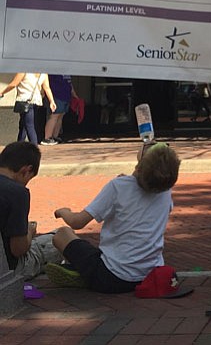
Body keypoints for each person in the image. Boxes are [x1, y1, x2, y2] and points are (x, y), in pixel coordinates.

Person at [46, 141, 181, 293]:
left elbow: (77, 222)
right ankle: (83, 272)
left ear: (140, 163)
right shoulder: (165, 191)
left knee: (63, 234)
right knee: (90, 249)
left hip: (112, 276)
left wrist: (63, 211)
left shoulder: (118, 186)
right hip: (149, 275)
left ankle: (83, 274)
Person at [0, 142, 63, 279]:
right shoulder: (17, 193)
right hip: (9, 268)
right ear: (26, 170)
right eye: (29, 178)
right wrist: (29, 231)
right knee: (61, 236)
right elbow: (18, 249)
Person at [0, 73, 56, 146]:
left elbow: (14, 84)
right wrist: (52, 101)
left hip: (24, 100)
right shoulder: (43, 73)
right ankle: (19, 146)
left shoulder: (23, 72)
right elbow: (47, 88)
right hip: (36, 101)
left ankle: (34, 149)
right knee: (23, 125)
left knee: (29, 126)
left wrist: (2, 92)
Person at [41, 75, 79, 145]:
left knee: (61, 116)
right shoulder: (55, 72)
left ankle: (55, 136)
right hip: (57, 95)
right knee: (54, 116)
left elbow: (70, 84)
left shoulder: (67, 74)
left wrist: (74, 95)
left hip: (66, 96)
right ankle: (47, 137)